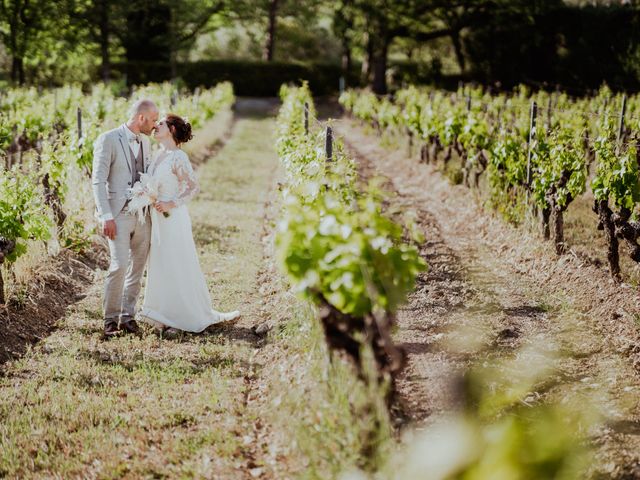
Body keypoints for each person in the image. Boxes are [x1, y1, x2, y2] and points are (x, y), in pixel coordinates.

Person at [138, 114, 240, 336]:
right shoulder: (157, 155)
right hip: (157, 217)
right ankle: (160, 312)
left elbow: (192, 187)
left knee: (177, 261)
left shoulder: (178, 157)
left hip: (173, 217)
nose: (155, 126)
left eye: (161, 124)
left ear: (172, 129)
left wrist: (170, 203)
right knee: (161, 261)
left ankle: (183, 315)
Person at [92, 99, 158, 337]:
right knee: (119, 265)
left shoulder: (146, 142)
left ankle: (128, 317)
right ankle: (110, 320)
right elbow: (98, 180)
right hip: (117, 214)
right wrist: (105, 215)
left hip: (143, 215)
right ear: (141, 118)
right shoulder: (108, 139)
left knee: (138, 267)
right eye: (153, 119)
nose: (155, 124)